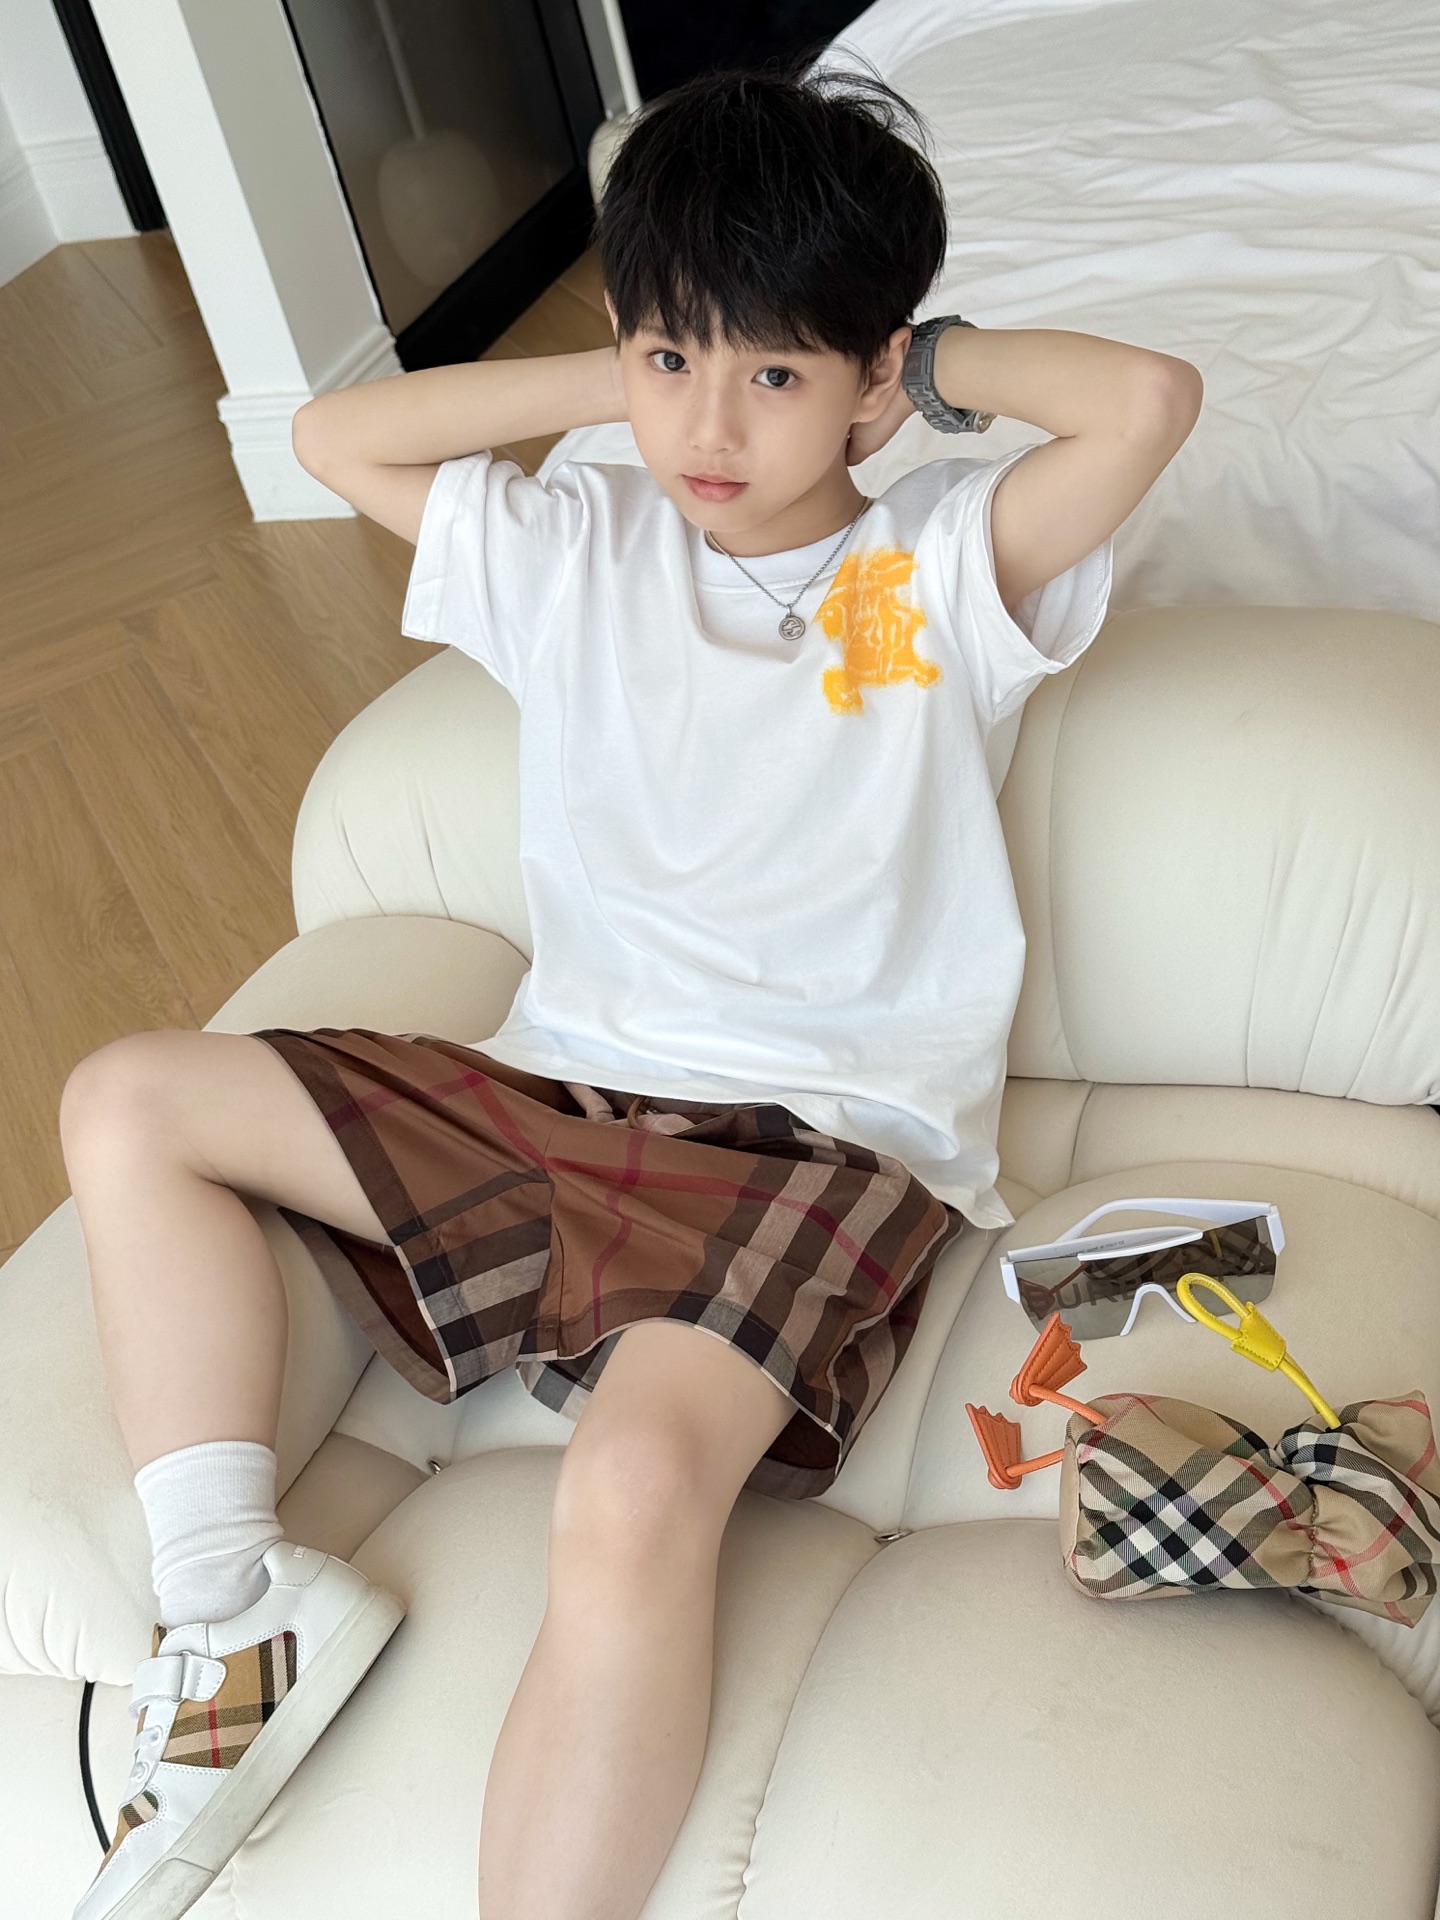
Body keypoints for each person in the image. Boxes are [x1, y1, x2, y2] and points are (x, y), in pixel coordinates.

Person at [62, 61, 1201, 1920]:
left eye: (775, 379)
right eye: (671, 360)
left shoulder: (925, 570)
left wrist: (904, 362)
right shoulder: (574, 549)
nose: (713, 427)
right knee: (128, 1096)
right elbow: (337, 434)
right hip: (562, 1097)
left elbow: (1146, 400)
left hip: (815, 1147)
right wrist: (644, 370)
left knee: (632, 1490)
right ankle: (231, 1607)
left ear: (869, 377)